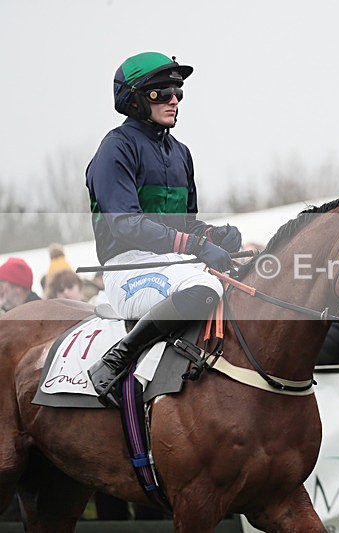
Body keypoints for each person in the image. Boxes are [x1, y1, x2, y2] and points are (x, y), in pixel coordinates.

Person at [84, 51, 242, 406]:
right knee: (205, 287)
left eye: (178, 92)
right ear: (135, 98)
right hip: (128, 268)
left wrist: (213, 235)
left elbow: (186, 224)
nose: (174, 100)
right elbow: (125, 224)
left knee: (245, 284)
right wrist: (197, 245)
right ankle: (119, 358)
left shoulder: (180, 152)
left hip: (173, 264)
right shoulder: (115, 149)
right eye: (161, 93)